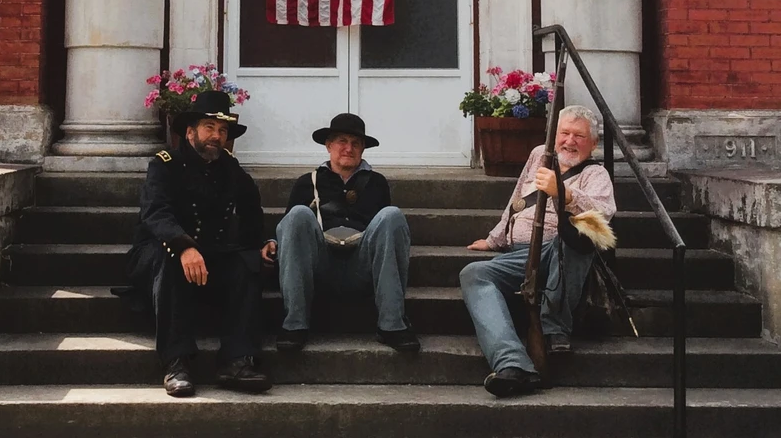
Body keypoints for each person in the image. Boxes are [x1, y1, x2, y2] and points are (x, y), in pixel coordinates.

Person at [459, 105, 616, 397]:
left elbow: (603, 216)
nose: (569, 141)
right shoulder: (539, 155)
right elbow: (518, 198)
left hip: (562, 255)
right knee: (474, 274)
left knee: (575, 238)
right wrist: (495, 239)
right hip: (520, 254)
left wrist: (566, 195)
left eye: (579, 136)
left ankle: (554, 326)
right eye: (564, 133)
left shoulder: (596, 174)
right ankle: (511, 363)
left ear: (593, 144)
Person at [126, 90, 271, 398]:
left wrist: (262, 243)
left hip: (211, 256)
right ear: (190, 131)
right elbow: (156, 213)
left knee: (246, 263)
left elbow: (251, 211)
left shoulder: (230, 168)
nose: (216, 136)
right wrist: (184, 246)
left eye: (222, 131)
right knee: (170, 258)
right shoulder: (164, 165)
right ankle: (176, 363)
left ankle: (237, 360)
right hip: (158, 254)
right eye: (209, 127)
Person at [263, 112, 420, 353]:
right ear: (328, 145)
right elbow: (290, 228)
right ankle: (294, 324)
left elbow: (385, 235)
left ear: (363, 149)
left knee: (392, 215)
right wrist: (272, 242)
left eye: (356, 143)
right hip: (320, 265)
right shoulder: (308, 182)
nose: (349, 148)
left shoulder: (377, 182)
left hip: (361, 266)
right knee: (298, 214)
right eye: (342, 142)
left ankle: (392, 324)